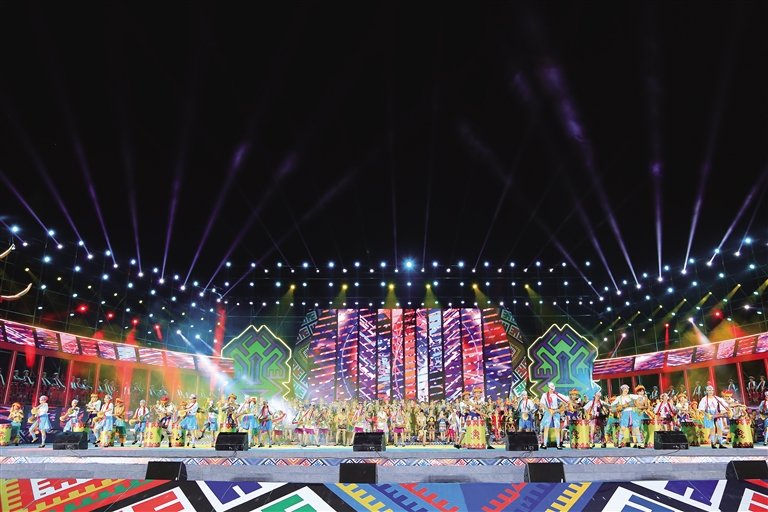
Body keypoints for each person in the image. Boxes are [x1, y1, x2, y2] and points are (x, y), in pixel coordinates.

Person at [611, 384, 645, 448]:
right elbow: (612, 404)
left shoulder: (630, 396)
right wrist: (618, 407)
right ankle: (619, 443)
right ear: (622, 389)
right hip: (625, 413)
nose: (626, 390)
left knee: (636, 428)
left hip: (633, 412)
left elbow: (641, 397)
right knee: (622, 428)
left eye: (627, 389)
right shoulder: (619, 398)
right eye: (625, 388)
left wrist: (638, 402)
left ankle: (640, 444)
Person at [539, 382, 569, 450]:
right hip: (548, 411)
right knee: (546, 428)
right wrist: (548, 410)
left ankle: (558, 444)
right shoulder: (544, 395)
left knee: (557, 428)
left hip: (555, 411)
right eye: (550, 388)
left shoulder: (556, 394)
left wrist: (562, 408)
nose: (551, 390)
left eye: (552, 389)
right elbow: (542, 404)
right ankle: (545, 444)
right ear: (548, 388)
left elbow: (566, 400)